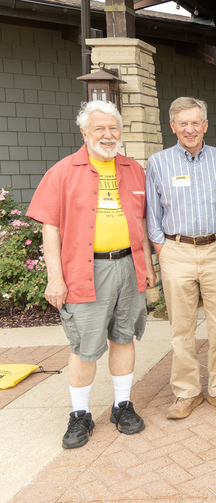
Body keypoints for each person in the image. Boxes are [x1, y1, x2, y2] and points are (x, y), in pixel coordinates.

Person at [26, 100, 155, 449]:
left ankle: (122, 405)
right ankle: (80, 414)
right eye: (99, 128)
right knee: (84, 346)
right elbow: (49, 228)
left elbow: (140, 222)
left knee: (124, 336)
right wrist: (55, 277)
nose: (108, 135)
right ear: (84, 132)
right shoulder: (63, 171)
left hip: (128, 266)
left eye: (113, 128)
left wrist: (147, 267)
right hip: (85, 269)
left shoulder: (133, 169)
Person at [146, 97, 216, 420]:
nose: (189, 129)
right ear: (172, 126)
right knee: (181, 328)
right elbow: (152, 215)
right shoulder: (157, 163)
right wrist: (164, 250)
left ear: (205, 125)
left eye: (195, 122)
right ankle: (187, 392)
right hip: (177, 250)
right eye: (182, 123)